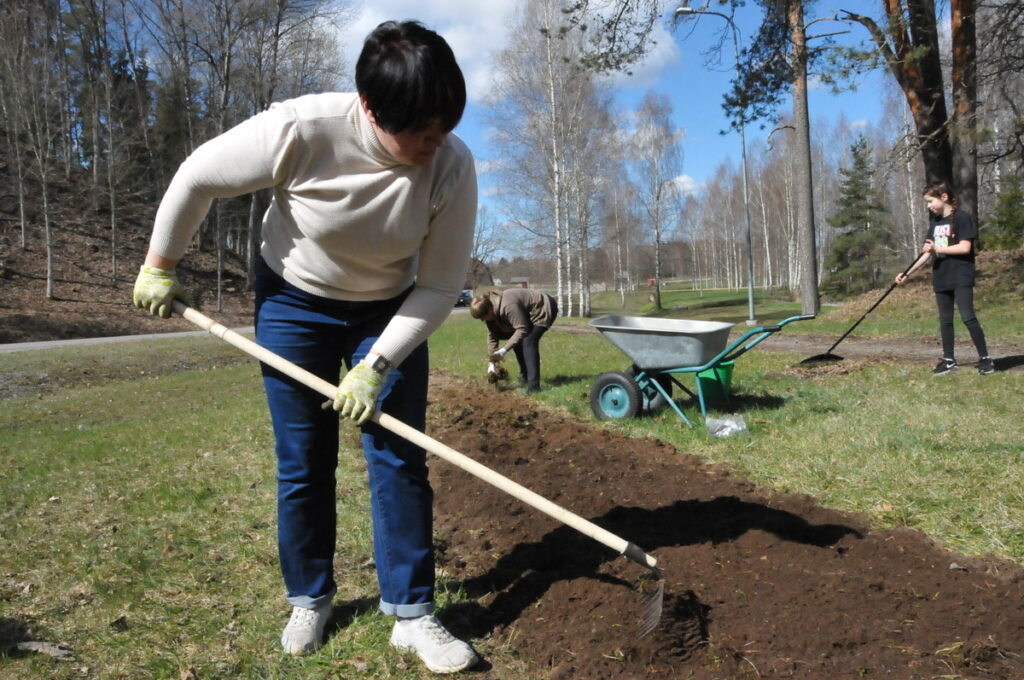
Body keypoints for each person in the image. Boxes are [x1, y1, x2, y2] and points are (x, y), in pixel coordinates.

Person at [132, 20, 480, 674]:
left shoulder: (452, 167)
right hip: (295, 301)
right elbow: (196, 177)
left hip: (392, 309)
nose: (436, 144)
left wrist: (378, 365)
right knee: (304, 457)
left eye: (445, 128)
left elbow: (439, 287)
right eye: (422, 132)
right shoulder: (303, 129)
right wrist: (160, 264)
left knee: (399, 455)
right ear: (372, 109)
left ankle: (411, 614)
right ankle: (310, 597)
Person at [895, 182, 994, 376]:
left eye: (930, 201)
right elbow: (925, 253)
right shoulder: (935, 224)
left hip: (960, 275)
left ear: (944, 198)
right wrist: (907, 273)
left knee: (968, 317)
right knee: (945, 321)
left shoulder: (962, 219)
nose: (928, 206)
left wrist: (936, 249)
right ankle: (949, 360)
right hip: (941, 277)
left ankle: (985, 359)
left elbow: (965, 248)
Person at [469, 288, 558, 393]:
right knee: (517, 340)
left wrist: (504, 350)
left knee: (528, 341)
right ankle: (524, 378)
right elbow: (493, 337)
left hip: (542, 307)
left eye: (483, 317)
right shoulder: (492, 310)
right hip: (528, 314)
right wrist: (491, 363)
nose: (482, 320)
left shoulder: (508, 306)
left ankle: (534, 386)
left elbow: (522, 329)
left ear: (489, 310)